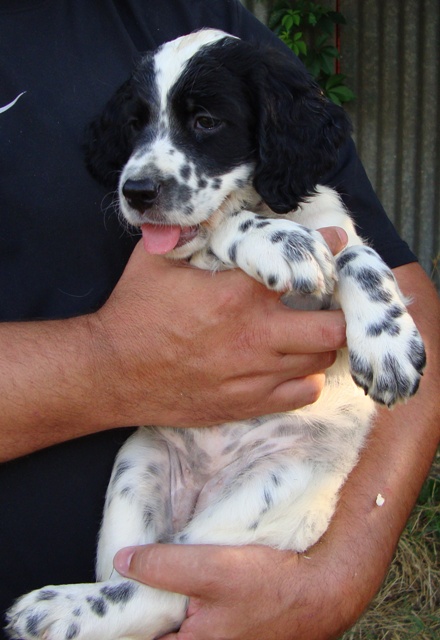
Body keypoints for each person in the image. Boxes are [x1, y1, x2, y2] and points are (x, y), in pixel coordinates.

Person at [0, 1, 438, 638]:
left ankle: (155, 596)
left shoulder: (177, 15)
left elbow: (352, 255)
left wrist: (333, 580)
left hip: (287, 458)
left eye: (203, 122)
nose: (146, 169)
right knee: (142, 455)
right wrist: (105, 360)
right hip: (173, 448)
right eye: (141, 126)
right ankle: (127, 596)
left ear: (270, 133)